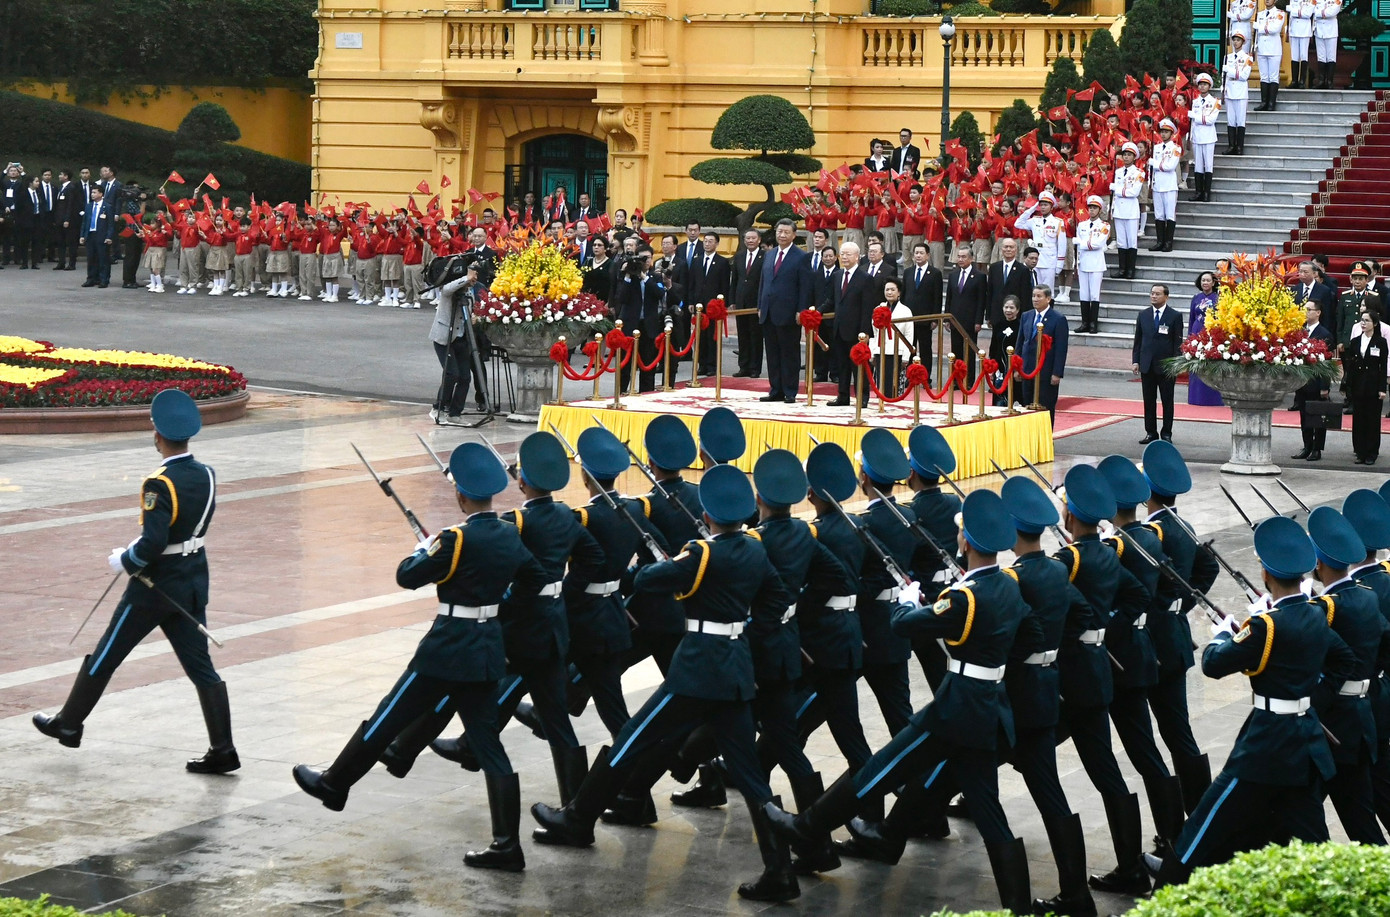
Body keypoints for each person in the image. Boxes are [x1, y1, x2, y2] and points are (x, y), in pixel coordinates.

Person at [531, 463, 802, 904]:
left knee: (631, 740)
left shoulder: (701, 553)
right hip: (733, 670)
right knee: (751, 776)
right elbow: (774, 600)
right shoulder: (754, 549)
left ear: (709, 515)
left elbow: (647, 579)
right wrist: (740, 628)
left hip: (696, 671)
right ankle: (779, 869)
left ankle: (578, 818)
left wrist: (676, 565)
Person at [765, 489, 1037, 914]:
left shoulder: (965, 598)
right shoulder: (1006, 586)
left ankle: (807, 826)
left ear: (964, 542)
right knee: (988, 810)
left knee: (882, 768)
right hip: (987, 708)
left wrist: (908, 604)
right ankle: (1019, 904)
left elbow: (907, 626)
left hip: (955, 709)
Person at [294, 443, 545, 873]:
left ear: (462, 498)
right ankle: (506, 844)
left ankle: (335, 784)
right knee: (489, 746)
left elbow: (406, 577)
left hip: (445, 650)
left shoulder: (455, 539)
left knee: (387, 718)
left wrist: (423, 549)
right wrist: (492, 603)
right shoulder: (508, 533)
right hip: (485, 651)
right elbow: (535, 579)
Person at [33, 390, 239, 775]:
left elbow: (155, 542)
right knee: (201, 668)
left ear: (157, 435)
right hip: (191, 581)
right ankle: (223, 749)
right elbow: (188, 529)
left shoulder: (158, 483)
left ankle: (69, 723)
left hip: (152, 588)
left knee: (107, 653)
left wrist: (126, 560)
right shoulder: (207, 475)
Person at [1145, 516, 1356, 888]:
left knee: (1201, 827)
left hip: (1265, 747)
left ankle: (1167, 888)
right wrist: (1306, 697)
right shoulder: (1315, 613)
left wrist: (1222, 635)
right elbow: (1343, 661)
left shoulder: (1266, 627)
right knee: (1314, 845)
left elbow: (1213, 665)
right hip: (1304, 741)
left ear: (1265, 574)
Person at [757, 219, 814, 404]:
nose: (782, 235)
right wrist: (760, 305)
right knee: (772, 353)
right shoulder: (769, 254)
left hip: (789, 313)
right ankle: (775, 390)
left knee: (789, 354)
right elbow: (763, 282)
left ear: (793, 235)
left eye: (786, 232)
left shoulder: (801, 256)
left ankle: (790, 391)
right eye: (779, 231)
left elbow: (805, 287)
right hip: (768, 311)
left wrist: (801, 310)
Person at [430, 257, 487, 423]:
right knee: (451, 373)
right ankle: (438, 407)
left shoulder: (469, 292)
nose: (474, 280)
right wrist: (465, 278)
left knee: (465, 377)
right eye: (472, 276)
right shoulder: (450, 291)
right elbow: (447, 289)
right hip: (444, 338)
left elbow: (469, 310)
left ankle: (455, 413)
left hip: (462, 337)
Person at [1133, 284, 1185, 444]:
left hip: (1166, 366)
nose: (1153, 296)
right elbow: (1138, 340)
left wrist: (1176, 364)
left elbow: (1178, 342)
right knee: (1148, 400)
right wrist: (1136, 360)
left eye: (1157, 294)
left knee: (1167, 401)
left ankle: (1167, 433)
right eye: (1152, 293)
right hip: (1147, 364)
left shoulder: (1174, 316)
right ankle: (1151, 432)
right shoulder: (1143, 315)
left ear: (1166, 297)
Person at [827, 242, 875, 408]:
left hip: (857, 331)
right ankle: (843, 396)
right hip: (839, 328)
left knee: (859, 366)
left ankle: (862, 397)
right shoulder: (837, 275)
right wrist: (816, 312)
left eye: (848, 254)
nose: (845, 257)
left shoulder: (866, 278)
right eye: (842, 254)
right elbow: (832, 301)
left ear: (857, 256)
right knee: (842, 365)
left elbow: (867, 307)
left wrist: (865, 332)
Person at [1018, 284, 1069, 421]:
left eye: (1039, 296)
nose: (1035, 299)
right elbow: (1020, 343)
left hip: (1046, 370)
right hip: (1027, 369)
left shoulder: (1058, 319)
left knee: (1046, 406)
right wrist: (1017, 368)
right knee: (1027, 405)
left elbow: (1061, 348)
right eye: (1034, 296)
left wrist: (1057, 372)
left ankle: (1045, 439)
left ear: (1048, 299)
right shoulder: (1026, 316)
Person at [1343, 309, 1387, 464]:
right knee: (1359, 419)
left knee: (1372, 420)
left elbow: (1382, 366)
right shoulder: (1355, 341)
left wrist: (1382, 388)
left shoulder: (1380, 342)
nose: (1363, 323)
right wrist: (1347, 387)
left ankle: (1371, 452)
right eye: (1362, 320)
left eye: (1367, 320)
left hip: (1373, 386)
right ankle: (1360, 451)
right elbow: (1351, 366)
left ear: (1374, 323)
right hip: (1358, 386)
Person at [1292, 302, 1335, 461]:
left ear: (1318, 313)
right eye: (1304, 309)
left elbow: (1326, 364)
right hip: (1302, 381)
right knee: (1304, 415)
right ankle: (1307, 445)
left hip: (1316, 382)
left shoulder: (1325, 334)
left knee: (1318, 416)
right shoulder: (1300, 331)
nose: (1306, 312)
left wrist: (1325, 386)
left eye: (1309, 310)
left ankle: (1317, 449)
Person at [945, 246, 987, 383]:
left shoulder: (980, 276)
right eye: (959, 257)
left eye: (964, 257)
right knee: (955, 351)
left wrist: (978, 321)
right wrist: (947, 318)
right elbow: (949, 298)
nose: (960, 259)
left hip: (971, 320)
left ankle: (968, 381)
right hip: (955, 319)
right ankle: (956, 380)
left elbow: (981, 300)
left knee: (969, 351)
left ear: (971, 258)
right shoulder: (953, 275)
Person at [1014, 191, 1066, 293]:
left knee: (1047, 290)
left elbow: (1062, 244)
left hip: (1049, 259)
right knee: (1035, 288)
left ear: (1051, 207)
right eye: (1041, 205)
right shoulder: (1035, 220)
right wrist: (1031, 209)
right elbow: (1018, 224)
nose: (1042, 207)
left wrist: (1060, 262)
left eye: (1045, 205)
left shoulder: (1058, 222)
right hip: (1035, 259)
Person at [901, 242, 943, 369]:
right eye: (916, 253)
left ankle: (926, 377)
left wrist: (935, 318)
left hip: (925, 318)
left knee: (925, 349)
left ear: (928, 255)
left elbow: (937, 297)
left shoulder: (935, 273)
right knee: (909, 347)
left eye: (921, 253)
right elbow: (903, 295)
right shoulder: (908, 272)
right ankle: (909, 375)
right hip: (909, 317)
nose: (918, 256)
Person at [730, 228, 765, 378]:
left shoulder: (765, 257)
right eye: (748, 239)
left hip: (756, 303)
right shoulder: (739, 256)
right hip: (741, 302)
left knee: (755, 336)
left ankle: (755, 368)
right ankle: (743, 366)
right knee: (742, 336)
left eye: (753, 238)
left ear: (759, 240)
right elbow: (735, 281)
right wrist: (732, 301)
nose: (750, 241)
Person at [1073, 195, 1110, 334]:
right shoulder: (1081, 225)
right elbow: (1080, 247)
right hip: (1083, 262)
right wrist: (1077, 262)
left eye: (1095, 208)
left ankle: (1093, 323)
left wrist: (1080, 243)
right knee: (1084, 294)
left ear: (1099, 210)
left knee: (1094, 294)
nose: (1092, 210)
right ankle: (1085, 322)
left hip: (1096, 262)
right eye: (1090, 208)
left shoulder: (1104, 225)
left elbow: (1098, 243)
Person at [1110, 143, 1143, 280]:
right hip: (1119, 209)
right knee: (1122, 241)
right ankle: (1122, 269)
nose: (1126, 157)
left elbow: (1134, 192)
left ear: (1134, 157)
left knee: (1131, 241)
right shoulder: (1118, 172)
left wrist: (1116, 189)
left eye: (1129, 155)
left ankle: (1131, 270)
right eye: (1124, 155)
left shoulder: (1139, 173)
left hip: (1130, 210)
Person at [1150, 122, 1182, 252]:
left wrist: (1155, 163)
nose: (1163, 134)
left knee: (1169, 215)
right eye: (1161, 131)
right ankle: (1160, 241)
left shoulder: (1175, 148)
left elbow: (1170, 167)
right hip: (1158, 184)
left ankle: (1168, 242)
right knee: (1159, 215)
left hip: (1169, 185)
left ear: (1171, 133)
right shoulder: (1156, 148)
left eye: (1166, 132)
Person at [1189, 73, 1221, 201]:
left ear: (1209, 86)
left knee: (1208, 165)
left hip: (1208, 136)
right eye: (1200, 84)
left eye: (1205, 84)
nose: (1202, 87)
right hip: (1197, 136)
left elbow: (1211, 120)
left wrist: (1195, 117)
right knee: (1198, 165)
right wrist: (1190, 137)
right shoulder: (1194, 102)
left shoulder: (1215, 102)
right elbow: (1193, 123)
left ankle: (1207, 193)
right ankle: (1198, 192)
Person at [1223, 33, 1254, 155]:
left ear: (1243, 42)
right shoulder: (1228, 57)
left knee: (1240, 120)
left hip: (1240, 91)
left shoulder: (1248, 58)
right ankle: (1231, 146)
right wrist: (1223, 87)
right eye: (1234, 40)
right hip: (1230, 89)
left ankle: (1240, 147)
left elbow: (1244, 76)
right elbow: (1224, 76)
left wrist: (1229, 71)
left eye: (1238, 40)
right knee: (1231, 120)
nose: (1235, 42)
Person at [80, 185, 116, 288]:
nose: (92, 194)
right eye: (92, 193)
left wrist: (109, 236)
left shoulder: (107, 207)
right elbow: (85, 222)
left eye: (95, 192)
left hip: (102, 235)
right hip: (90, 234)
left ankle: (104, 279)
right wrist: (82, 235)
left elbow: (111, 224)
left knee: (103, 258)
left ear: (101, 194)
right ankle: (91, 278)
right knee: (91, 258)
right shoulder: (89, 206)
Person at [1253, 0, 1286, 110]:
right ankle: (1264, 102)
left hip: (1274, 49)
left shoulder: (1280, 13)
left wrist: (1260, 28)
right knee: (1264, 76)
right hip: (1262, 48)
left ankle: (1271, 103)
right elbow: (1258, 34)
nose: (1267, 0)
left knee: (1273, 76)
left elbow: (1275, 29)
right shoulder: (1260, 14)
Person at [1312, 0, 1343, 88]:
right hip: (1319, 29)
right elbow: (1312, 10)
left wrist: (1320, 12)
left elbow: (1333, 12)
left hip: (1331, 30)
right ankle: (1321, 80)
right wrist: (1324, 12)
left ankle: (1329, 81)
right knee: (1321, 56)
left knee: (1331, 56)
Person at [1289, 0, 1316, 87]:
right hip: (1294, 28)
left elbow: (1308, 14)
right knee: (1294, 56)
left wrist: (1296, 12)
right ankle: (1294, 81)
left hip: (1305, 29)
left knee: (1303, 55)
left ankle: (1302, 81)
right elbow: (1290, 14)